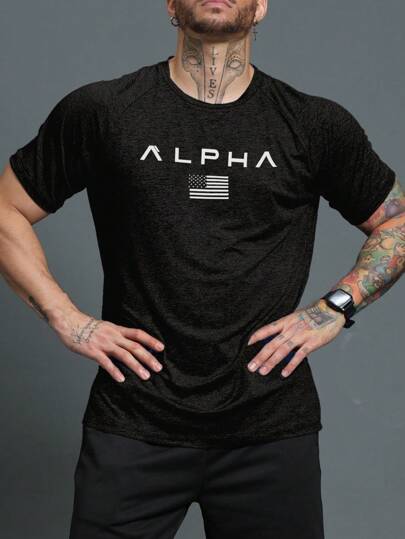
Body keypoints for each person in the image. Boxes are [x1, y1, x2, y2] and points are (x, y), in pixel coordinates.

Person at [1, 0, 404, 537]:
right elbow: (6, 209)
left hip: (269, 427)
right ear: (171, 3)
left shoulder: (313, 123)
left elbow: (397, 222)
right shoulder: (104, 110)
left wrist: (336, 307)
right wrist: (66, 317)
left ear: (261, 7)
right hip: (135, 420)